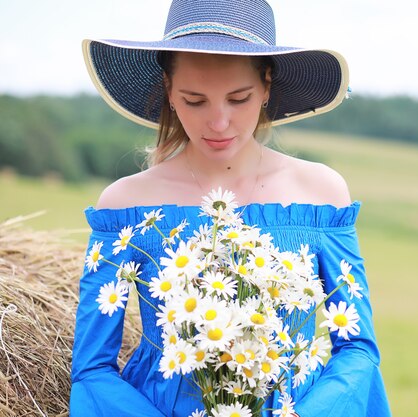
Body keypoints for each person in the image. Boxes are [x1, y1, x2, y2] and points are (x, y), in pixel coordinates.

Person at [70, 1, 391, 416]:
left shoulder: (320, 194)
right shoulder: (125, 206)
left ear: (267, 86)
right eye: (195, 100)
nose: (218, 122)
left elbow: (359, 349)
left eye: (238, 99)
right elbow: (92, 367)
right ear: (168, 90)